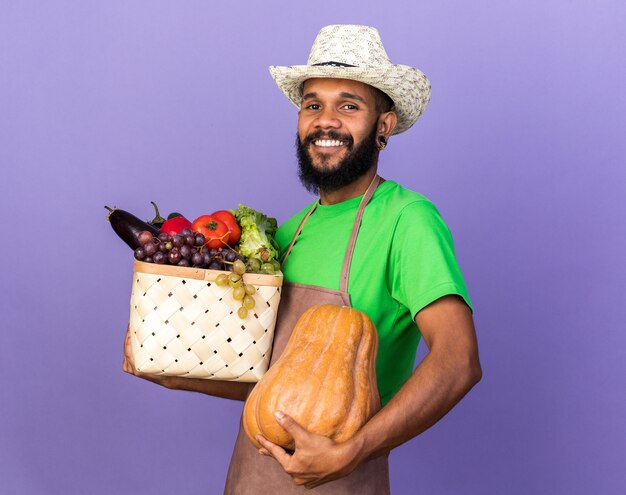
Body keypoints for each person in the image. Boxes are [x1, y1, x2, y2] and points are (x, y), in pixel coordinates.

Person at [124, 24, 481, 494]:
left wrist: (352, 450)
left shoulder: (406, 220)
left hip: (342, 478)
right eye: (313, 104)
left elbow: (459, 361)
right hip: (250, 478)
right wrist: (172, 369)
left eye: (348, 105)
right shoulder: (289, 235)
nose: (325, 121)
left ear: (384, 125)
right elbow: (264, 375)